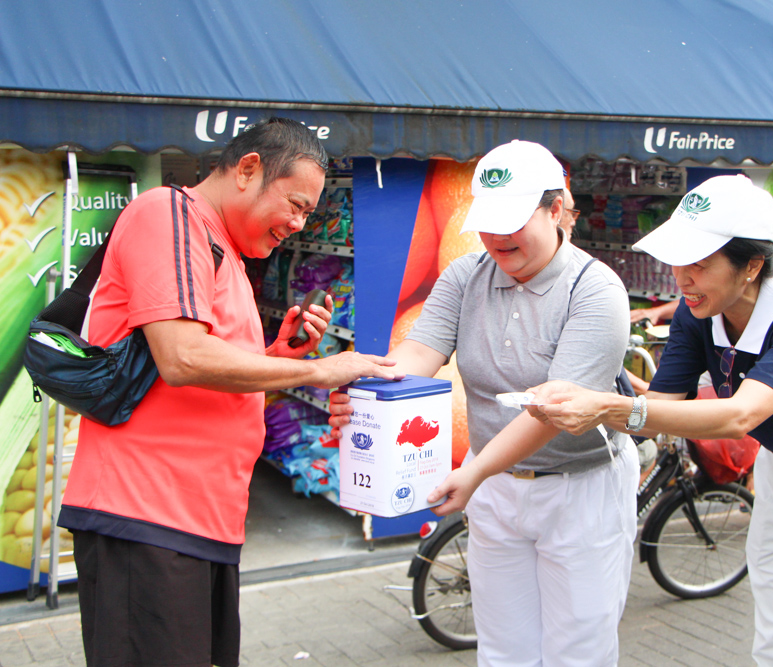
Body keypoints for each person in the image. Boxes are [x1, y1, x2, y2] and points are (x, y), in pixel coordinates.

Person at [529, 174, 773, 667]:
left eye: (699, 263)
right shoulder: (697, 315)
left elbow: (740, 415)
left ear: (752, 266)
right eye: (678, 260)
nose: (681, 278)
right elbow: (657, 413)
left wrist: (609, 407)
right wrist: (595, 390)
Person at [58, 117, 401, 667]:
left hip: (197, 521)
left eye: (308, 214)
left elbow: (207, 373)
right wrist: (318, 371)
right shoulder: (169, 215)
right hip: (147, 515)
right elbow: (182, 357)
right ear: (247, 170)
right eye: (296, 204)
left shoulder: (224, 249)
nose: (297, 223)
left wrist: (280, 356)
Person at [386, 140, 639, 666]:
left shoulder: (595, 290)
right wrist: (370, 397)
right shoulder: (465, 275)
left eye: (513, 221)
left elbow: (554, 412)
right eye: (488, 222)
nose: (498, 237)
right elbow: (418, 352)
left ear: (555, 209)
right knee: (504, 647)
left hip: (579, 488)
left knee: (578, 650)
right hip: (494, 485)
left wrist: (475, 472)